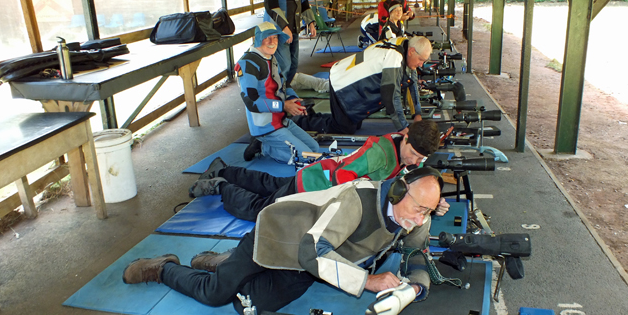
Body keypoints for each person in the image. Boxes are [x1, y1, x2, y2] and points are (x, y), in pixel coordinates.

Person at [123, 168, 444, 315]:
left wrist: (415, 288)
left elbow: (417, 254)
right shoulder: (356, 202)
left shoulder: (417, 216)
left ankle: (225, 263)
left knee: (245, 307)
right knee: (214, 295)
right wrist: (368, 281)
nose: (420, 220)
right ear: (398, 192)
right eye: (418, 209)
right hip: (278, 239)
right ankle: (163, 268)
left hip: (307, 270)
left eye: (428, 212)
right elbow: (312, 251)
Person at [188, 120, 449, 221]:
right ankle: (219, 185)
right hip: (315, 186)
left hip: (315, 177)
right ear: (405, 137)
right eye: (414, 154)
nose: (416, 161)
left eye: (422, 158)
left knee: (270, 184)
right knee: (261, 211)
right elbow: (343, 176)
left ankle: (224, 169)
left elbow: (413, 182)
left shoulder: (407, 154)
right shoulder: (380, 152)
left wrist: (432, 201)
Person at [292, 35, 432, 135]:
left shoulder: (405, 45)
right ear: (412, 51)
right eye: (421, 60)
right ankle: (298, 121)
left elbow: (412, 83)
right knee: (342, 128)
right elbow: (391, 95)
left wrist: (417, 114)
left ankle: (309, 113)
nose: (421, 64)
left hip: (351, 79)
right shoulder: (394, 58)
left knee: (352, 122)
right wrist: (402, 128)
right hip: (343, 82)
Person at [234, 22, 320, 163]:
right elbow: (252, 102)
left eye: (274, 37)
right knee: (309, 158)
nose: (272, 42)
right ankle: (262, 147)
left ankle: (267, 146)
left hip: (281, 119)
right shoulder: (247, 63)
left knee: (315, 149)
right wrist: (284, 106)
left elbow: (283, 84)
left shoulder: (270, 57)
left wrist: (295, 101)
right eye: (267, 38)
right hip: (265, 126)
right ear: (257, 39)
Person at [264, 0, 316, 85]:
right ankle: (280, 98)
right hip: (277, 31)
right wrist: (284, 27)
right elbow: (271, 5)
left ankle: (287, 93)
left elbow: (302, 0)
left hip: (294, 28)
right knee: (283, 65)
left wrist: (310, 22)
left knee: (293, 64)